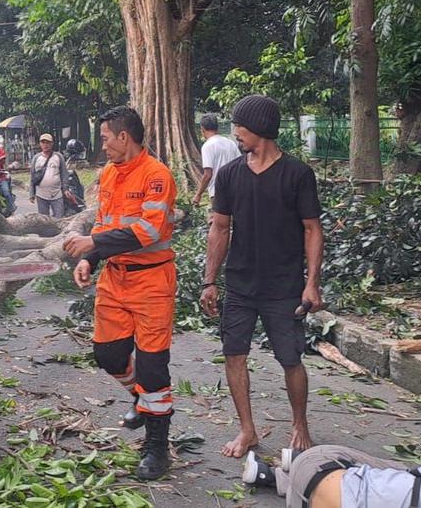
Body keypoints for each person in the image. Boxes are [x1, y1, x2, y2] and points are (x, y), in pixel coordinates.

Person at [201, 94, 323, 459]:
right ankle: (247, 430)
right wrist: (210, 281)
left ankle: (299, 424)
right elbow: (220, 228)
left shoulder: (297, 174)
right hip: (240, 284)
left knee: (290, 359)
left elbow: (312, 229)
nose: (235, 132)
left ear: (260, 128)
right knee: (233, 354)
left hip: (283, 286)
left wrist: (311, 282)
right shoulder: (231, 174)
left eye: (239, 125)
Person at [62, 106, 178, 481]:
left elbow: (148, 231)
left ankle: (157, 448)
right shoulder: (109, 174)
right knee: (108, 355)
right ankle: (140, 399)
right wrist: (91, 259)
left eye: (107, 138)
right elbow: (106, 224)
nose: (104, 145)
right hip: (114, 279)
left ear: (124, 137)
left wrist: (91, 242)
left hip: (152, 283)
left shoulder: (157, 176)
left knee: (153, 367)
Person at [242, 444, 421, 508]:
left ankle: (294, 459)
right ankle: (268, 476)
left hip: (318, 463)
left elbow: (415, 473)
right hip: (301, 502)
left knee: (397, 470)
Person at [191, 114, 241, 208]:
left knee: (219, 221)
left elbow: (207, 175)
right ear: (217, 128)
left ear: (202, 129)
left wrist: (198, 194)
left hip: (218, 192)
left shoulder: (207, 146)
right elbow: (240, 165)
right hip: (235, 190)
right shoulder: (230, 143)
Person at [29, 133, 70, 217]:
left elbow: (64, 174)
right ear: (40, 144)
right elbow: (32, 176)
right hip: (41, 194)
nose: (45, 145)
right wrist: (31, 193)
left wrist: (65, 189)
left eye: (47, 142)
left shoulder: (58, 157)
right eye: (43, 142)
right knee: (44, 220)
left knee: (59, 218)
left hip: (57, 194)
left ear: (52, 144)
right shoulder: (36, 158)